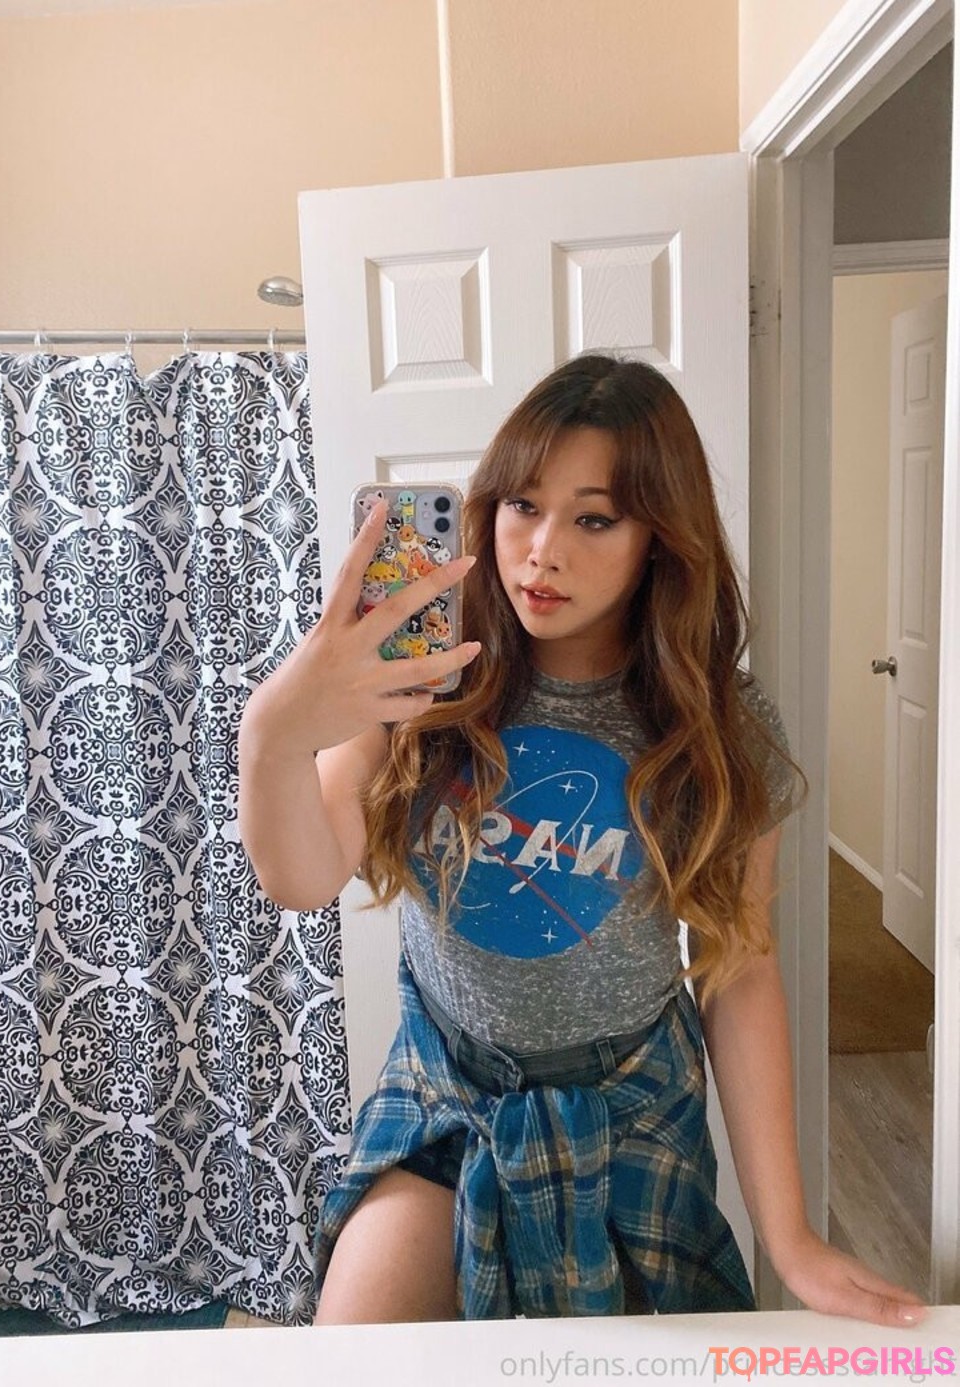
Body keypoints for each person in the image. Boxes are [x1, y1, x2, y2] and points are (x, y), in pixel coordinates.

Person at [236, 355, 927, 1328]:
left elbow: (739, 968)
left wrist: (791, 1237)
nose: (542, 551)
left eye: (594, 519)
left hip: (628, 1100)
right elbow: (303, 877)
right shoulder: (420, 680)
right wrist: (272, 732)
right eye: (523, 505)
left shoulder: (714, 725)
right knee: (351, 1351)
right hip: (446, 1085)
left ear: (659, 538)